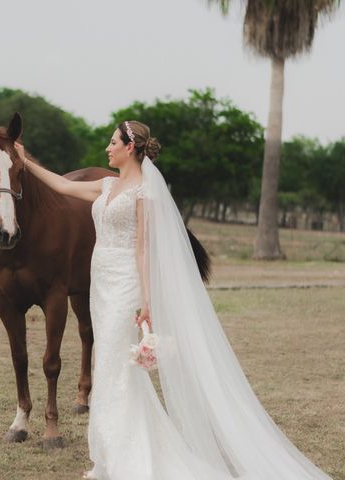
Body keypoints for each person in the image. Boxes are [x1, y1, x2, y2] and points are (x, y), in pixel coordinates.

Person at [17, 121, 332, 479]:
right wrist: (25, 163)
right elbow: (60, 184)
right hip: (100, 283)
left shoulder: (144, 192)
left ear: (130, 147)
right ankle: (109, 456)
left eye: (112, 142)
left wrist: (147, 301)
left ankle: (128, 458)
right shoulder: (107, 185)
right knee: (107, 363)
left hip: (124, 285)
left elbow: (143, 248)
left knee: (118, 366)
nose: (107, 148)